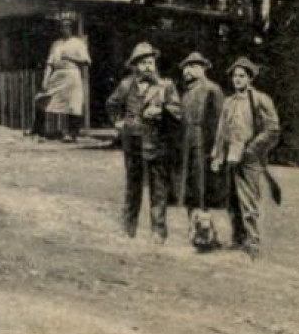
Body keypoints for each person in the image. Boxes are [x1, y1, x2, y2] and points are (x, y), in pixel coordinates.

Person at [106, 42, 183, 243]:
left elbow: (177, 112)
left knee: (158, 187)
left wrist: (161, 111)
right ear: (135, 66)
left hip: (156, 142)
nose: (148, 66)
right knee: (133, 186)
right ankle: (127, 228)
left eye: (151, 62)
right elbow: (112, 104)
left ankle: (158, 232)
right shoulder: (126, 85)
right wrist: (118, 121)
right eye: (143, 63)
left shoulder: (166, 86)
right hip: (132, 142)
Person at [210, 57, 280, 259]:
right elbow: (221, 132)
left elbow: (273, 129)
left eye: (242, 76)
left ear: (250, 79)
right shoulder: (229, 102)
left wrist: (252, 149)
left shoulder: (260, 99)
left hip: (250, 159)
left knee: (248, 202)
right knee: (232, 201)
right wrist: (217, 156)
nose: (237, 80)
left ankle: (253, 243)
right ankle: (238, 238)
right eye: (234, 76)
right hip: (231, 158)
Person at [174, 52, 225, 218]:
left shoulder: (212, 89)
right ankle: (194, 222)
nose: (188, 70)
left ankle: (205, 224)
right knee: (189, 184)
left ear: (203, 69)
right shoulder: (187, 92)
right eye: (186, 67)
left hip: (204, 142)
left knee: (202, 183)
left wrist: (216, 149)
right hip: (186, 142)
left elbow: (220, 121)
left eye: (194, 66)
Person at [36, 16, 91, 141]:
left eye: (67, 26)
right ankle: (42, 130)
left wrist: (70, 58)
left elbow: (87, 61)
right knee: (44, 100)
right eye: (62, 27)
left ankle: (72, 134)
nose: (64, 29)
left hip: (72, 74)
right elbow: (50, 63)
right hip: (57, 75)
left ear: (71, 28)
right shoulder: (56, 44)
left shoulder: (78, 43)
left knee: (73, 104)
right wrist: (45, 79)